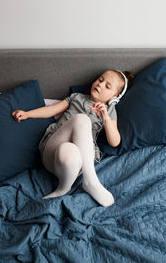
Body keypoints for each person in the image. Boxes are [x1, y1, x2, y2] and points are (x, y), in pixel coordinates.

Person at [12, 69, 134, 207]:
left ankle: (63, 188)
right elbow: (51, 110)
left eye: (107, 86)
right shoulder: (76, 97)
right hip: (52, 152)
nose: (100, 85)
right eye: (100, 80)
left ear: (115, 96)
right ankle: (91, 181)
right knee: (82, 119)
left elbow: (115, 141)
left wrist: (105, 118)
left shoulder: (109, 112)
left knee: (70, 149)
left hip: (76, 164)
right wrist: (28, 114)